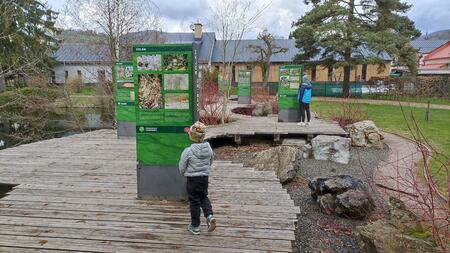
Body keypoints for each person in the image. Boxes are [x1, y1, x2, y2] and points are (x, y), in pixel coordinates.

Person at [179, 121, 216, 235]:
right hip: (204, 178)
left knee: (194, 201)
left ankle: (195, 226)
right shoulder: (208, 148)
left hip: (192, 180)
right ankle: (209, 216)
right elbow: (211, 160)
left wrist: (183, 173)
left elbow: (182, 165)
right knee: (203, 197)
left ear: (191, 136)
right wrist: (205, 170)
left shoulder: (188, 151)